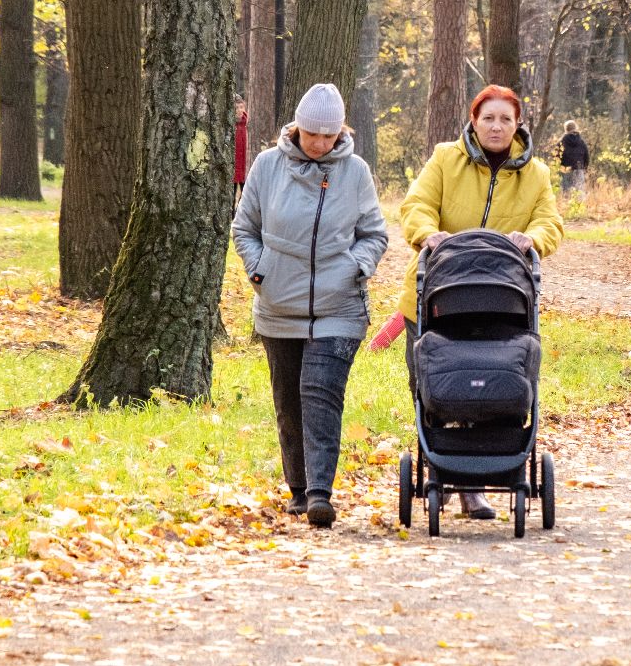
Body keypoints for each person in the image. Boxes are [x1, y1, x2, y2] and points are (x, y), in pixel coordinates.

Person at [400, 84, 564, 519]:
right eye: (488, 118)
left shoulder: (536, 175)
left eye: (505, 119)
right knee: (438, 385)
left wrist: (534, 239)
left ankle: (474, 483)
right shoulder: (444, 159)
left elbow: (550, 220)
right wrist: (427, 233)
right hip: (440, 294)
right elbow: (416, 205)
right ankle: (444, 467)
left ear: (517, 125)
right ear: (474, 121)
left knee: (496, 379)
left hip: (502, 301)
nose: (496, 126)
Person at [232, 84, 389, 529]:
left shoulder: (355, 172)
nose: (320, 143)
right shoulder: (266, 166)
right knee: (289, 401)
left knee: (320, 393)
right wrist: (260, 270)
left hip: (339, 306)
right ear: (297, 127)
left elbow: (374, 235)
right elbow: (244, 228)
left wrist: (357, 268)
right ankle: (299, 490)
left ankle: (321, 493)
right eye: (312, 134)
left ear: (341, 131)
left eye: (329, 135)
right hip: (279, 305)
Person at [558, 120, 590, 197]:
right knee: (579, 191)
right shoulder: (581, 141)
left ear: (566, 129)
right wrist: (584, 167)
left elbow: (557, 156)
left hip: (565, 169)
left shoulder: (562, 142)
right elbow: (586, 156)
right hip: (578, 168)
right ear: (575, 128)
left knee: (566, 191)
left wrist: (558, 167)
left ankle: (565, 208)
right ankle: (579, 208)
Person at [233, 96, 249, 206]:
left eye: (241, 107)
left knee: (244, 193)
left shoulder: (246, 124)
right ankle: (231, 213)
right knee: (232, 192)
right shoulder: (232, 125)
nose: (239, 110)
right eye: (237, 107)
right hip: (234, 164)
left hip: (244, 164)